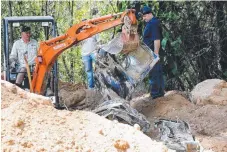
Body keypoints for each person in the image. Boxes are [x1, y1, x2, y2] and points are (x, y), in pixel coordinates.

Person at [141, 6, 165, 99]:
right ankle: (159, 92)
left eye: (144, 16)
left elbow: (156, 39)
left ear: (149, 14)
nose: (143, 19)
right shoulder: (152, 22)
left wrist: (155, 53)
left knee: (154, 73)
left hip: (152, 53)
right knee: (157, 71)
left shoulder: (153, 23)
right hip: (151, 53)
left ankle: (155, 94)